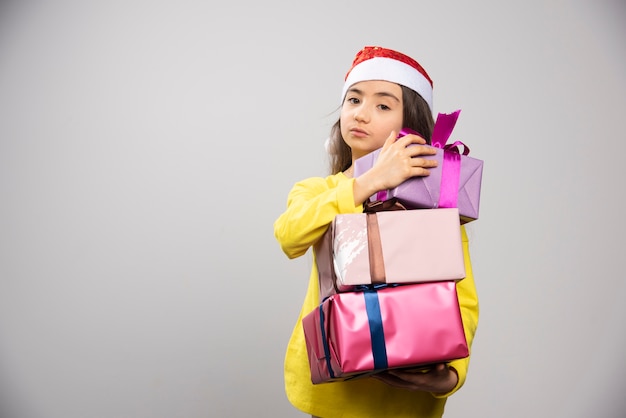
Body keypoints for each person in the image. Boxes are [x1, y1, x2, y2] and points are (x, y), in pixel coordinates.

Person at [273, 46, 479, 418]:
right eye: (354, 99)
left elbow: (461, 299)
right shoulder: (319, 191)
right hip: (332, 397)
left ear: (410, 125)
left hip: (406, 404)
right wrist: (370, 182)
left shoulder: (434, 205)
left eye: (383, 105)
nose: (361, 113)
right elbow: (290, 235)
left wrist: (448, 376)